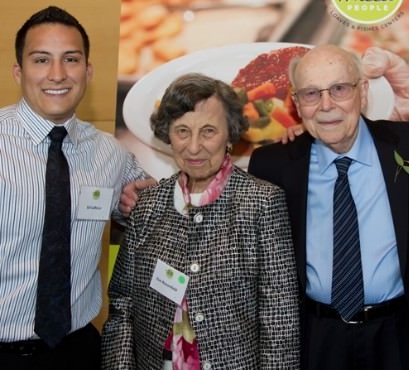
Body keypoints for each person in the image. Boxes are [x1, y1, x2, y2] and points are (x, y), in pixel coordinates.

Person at [0, 6, 147, 370]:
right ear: (19, 71)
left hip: (74, 353)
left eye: (71, 59)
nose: (57, 74)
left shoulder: (111, 153)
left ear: (88, 71)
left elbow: (146, 201)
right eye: (41, 59)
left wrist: (137, 201)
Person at [248, 44, 409, 370]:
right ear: (298, 103)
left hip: (402, 333)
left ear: (364, 92)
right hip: (316, 338)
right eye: (312, 94)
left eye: (340, 89)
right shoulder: (271, 165)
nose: (327, 105)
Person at [101, 73, 300, 370]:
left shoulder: (261, 203)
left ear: (230, 134)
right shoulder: (149, 206)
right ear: (168, 134)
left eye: (208, 131)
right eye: (182, 131)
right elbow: (122, 308)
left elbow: (280, 320)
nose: (194, 147)